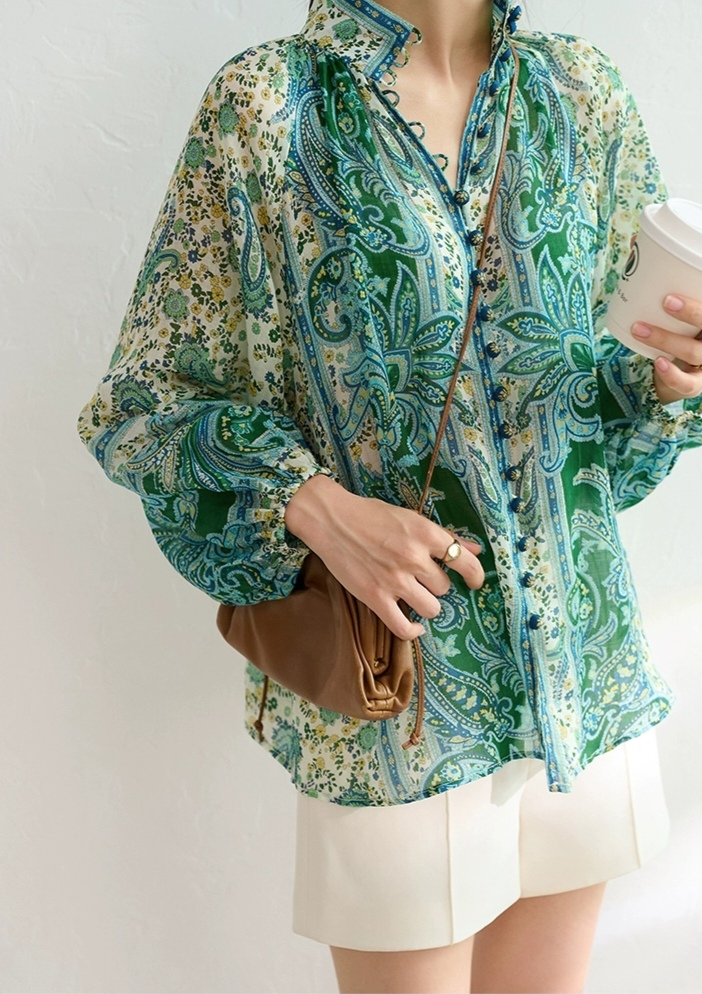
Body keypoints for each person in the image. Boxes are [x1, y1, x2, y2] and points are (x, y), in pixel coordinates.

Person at [77, 0, 702, 990]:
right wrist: (318, 508)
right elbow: (145, 405)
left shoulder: (579, 93)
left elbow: (606, 424)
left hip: (584, 687)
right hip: (399, 707)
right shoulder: (271, 106)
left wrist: (671, 382)